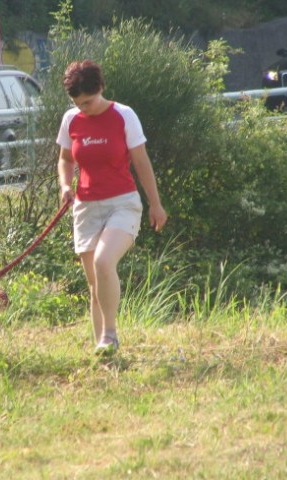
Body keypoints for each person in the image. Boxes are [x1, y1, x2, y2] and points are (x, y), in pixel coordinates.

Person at [56, 60, 168, 355]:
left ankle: (110, 334)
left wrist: (155, 204)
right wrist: (65, 186)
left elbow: (142, 162)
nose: (84, 108)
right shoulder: (71, 120)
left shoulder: (124, 115)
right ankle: (102, 350)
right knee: (95, 283)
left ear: (101, 88)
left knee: (104, 263)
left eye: (88, 102)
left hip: (123, 203)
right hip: (85, 208)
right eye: (77, 103)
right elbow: (66, 159)